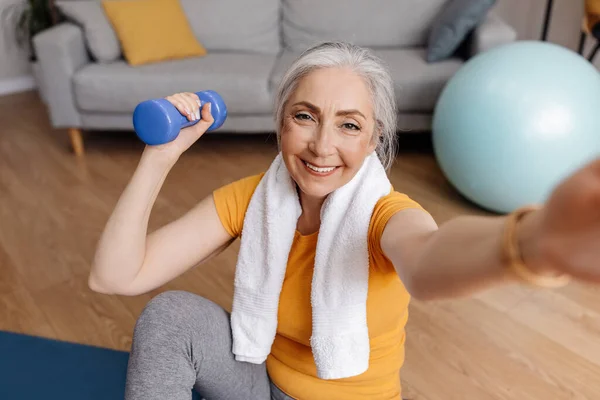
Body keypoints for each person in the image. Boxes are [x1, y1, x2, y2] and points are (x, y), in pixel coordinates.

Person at [89, 41, 600, 400]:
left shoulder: (384, 214)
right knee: (171, 315)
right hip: (261, 384)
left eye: (349, 125)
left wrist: (532, 242)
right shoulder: (255, 200)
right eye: (305, 116)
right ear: (281, 121)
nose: (322, 146)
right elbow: (115, 276)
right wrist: (161, 156)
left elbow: (427, 260)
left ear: (373, 139)